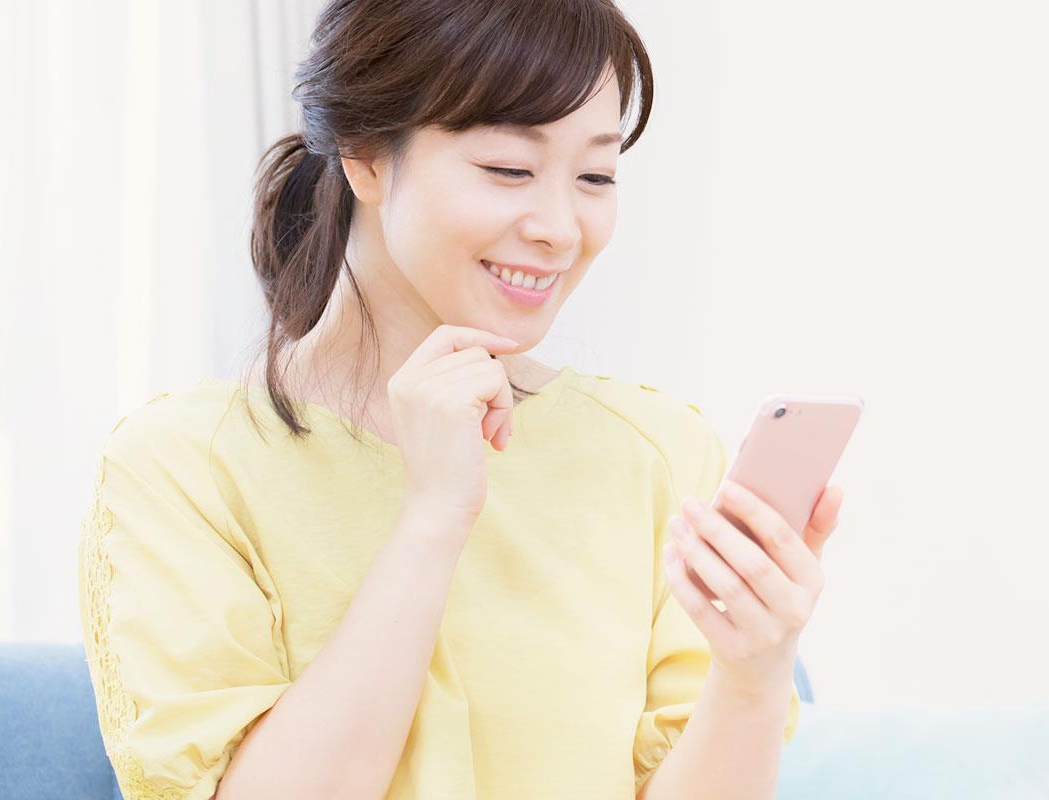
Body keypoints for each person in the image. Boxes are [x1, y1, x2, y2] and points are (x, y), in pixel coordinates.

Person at [77, 1, 836, 798]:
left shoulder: (657, 455)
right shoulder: (181, 468)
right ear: (365, 156)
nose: (559, 229)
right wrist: (432, 518)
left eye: (595, 177)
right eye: (509, 169)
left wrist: (753, 677)